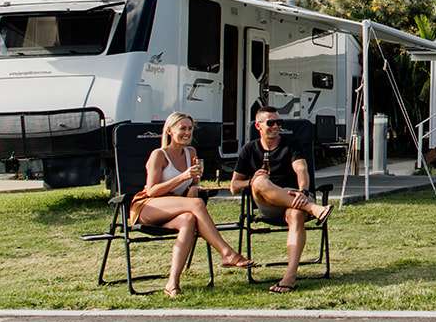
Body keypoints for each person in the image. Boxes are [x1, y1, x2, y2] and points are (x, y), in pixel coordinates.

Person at [130, 111, 250, 297]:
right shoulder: (159, 155)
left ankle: (172, 283)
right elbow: (151, 190)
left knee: (188, 219)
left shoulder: (191, 153)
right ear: (169, 131)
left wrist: (194, 185)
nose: (187, 132)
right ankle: (227, 253)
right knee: (196, 205)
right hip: (149, 207)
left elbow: (192, 185)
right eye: (182, 128)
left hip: (176, 207)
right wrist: (183, 177)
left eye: (190, 129)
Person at [231, 107, 334, 293]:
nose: (276, 126)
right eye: (271, 123)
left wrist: (303, 190)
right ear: (258, 126)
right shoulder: (249, 149)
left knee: (295, 214)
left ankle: (290, 277)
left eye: (279, 123)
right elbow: (234, 186)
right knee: (261, 181)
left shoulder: (291, 145)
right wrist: (252, 180)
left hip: (295, 198)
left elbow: (301, 170)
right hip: (267, 204)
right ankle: (314, 208)